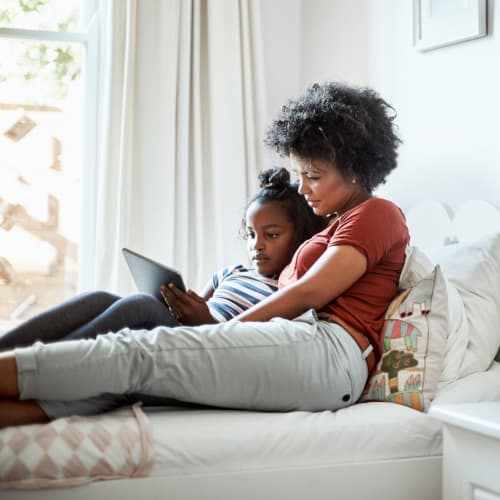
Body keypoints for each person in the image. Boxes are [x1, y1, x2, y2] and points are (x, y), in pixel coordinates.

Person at [0, 81, 410, 428]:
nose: (303, 187)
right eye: (300, 174)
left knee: (136, 352)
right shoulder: (333, 227)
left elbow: (308, 294)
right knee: (125, 382)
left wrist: (221, 331)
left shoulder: (377, 213)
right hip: (301, 344)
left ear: (355, 168)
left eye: (314, 176)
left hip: (329, 353)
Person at [0, 167, 325, 350]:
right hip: (181, 330)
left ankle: (39, 362)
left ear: (300, 237)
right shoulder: (233, 273)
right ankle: (7, 349)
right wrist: (181, 304)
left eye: (271, 235)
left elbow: (254, 342)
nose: (257, 245)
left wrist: (208, 321)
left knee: (141, 305)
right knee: (99, 297)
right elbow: (194, 304)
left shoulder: (287, 293)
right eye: (252, 235)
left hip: (211, 346)